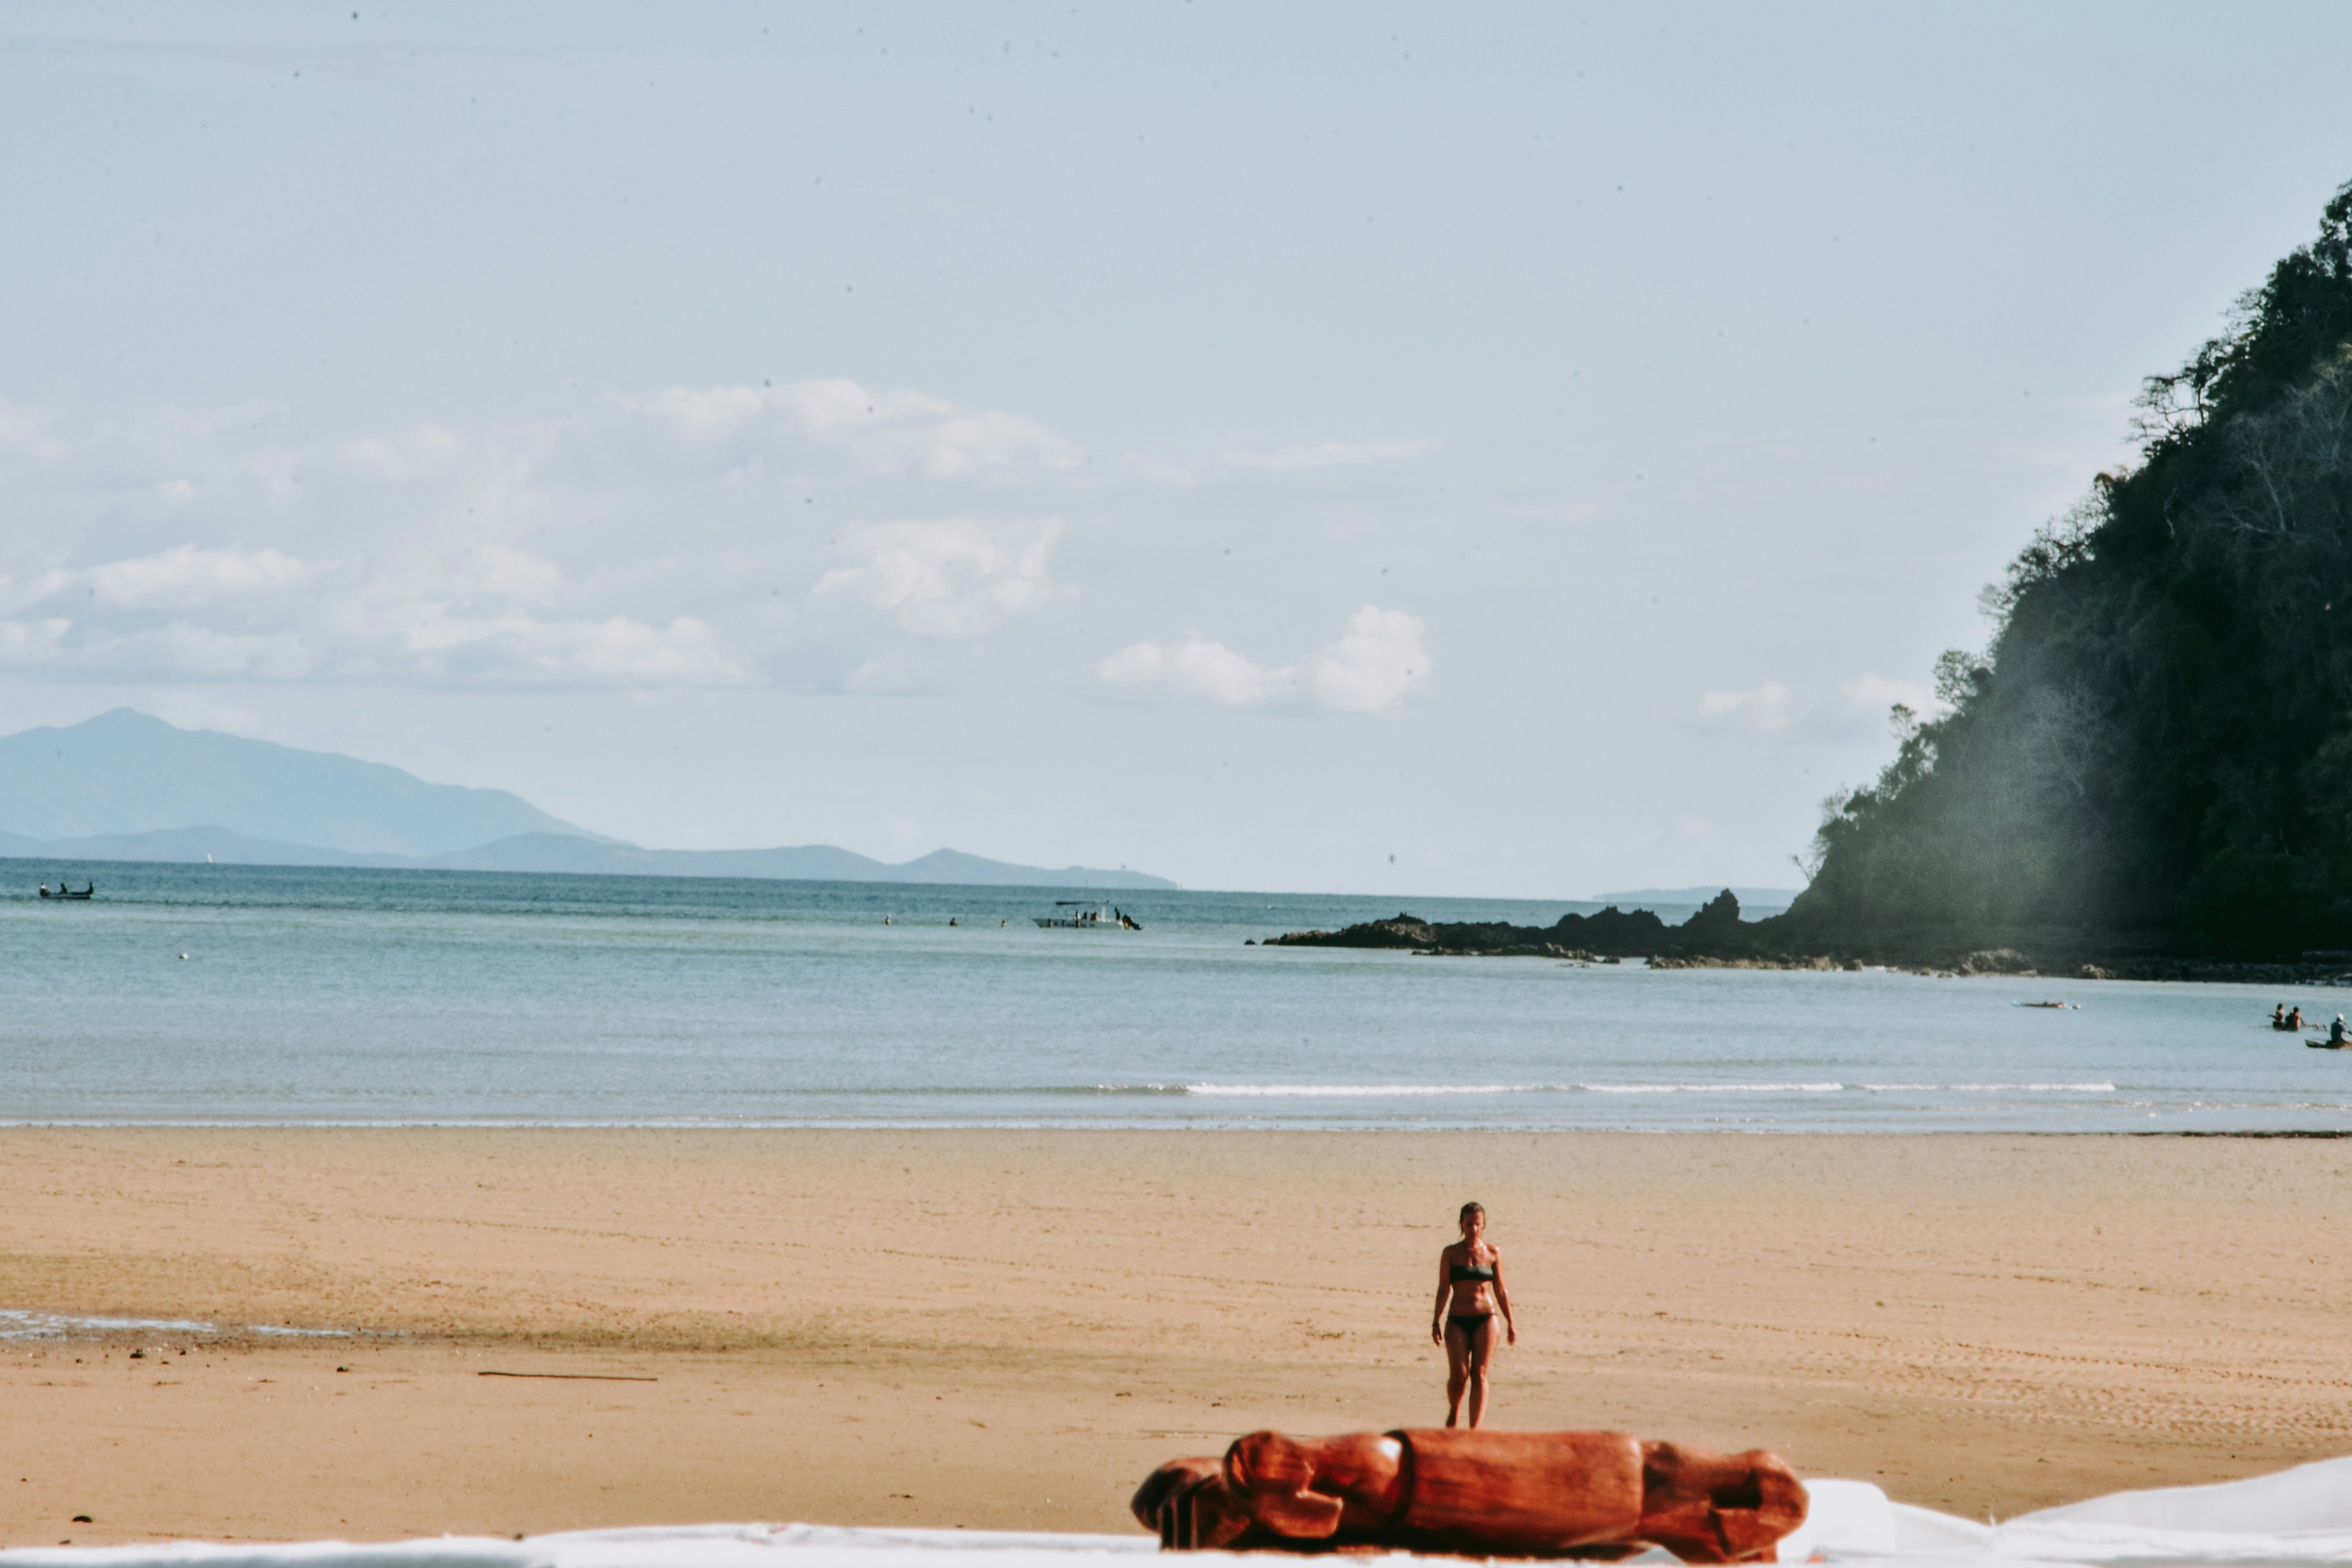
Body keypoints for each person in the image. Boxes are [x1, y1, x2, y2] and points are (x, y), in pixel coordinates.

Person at [1432, 1200, 1515, 1428]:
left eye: (1477, 1224)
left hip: (1486, 1318)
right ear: (1461, 1225)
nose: (1474, 1229)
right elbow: (1443, 1289)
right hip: (1457, 1320)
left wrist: (1511, 1322)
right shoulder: (1451, 1254)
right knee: (1459, 1375)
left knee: (1480, 1373)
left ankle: (1474, 1430)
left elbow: (1501, 1289)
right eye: (1469, 1224)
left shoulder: (1493, 1253)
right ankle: (1454, 1409)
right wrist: (1435, 1321)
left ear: (1484, 1225)